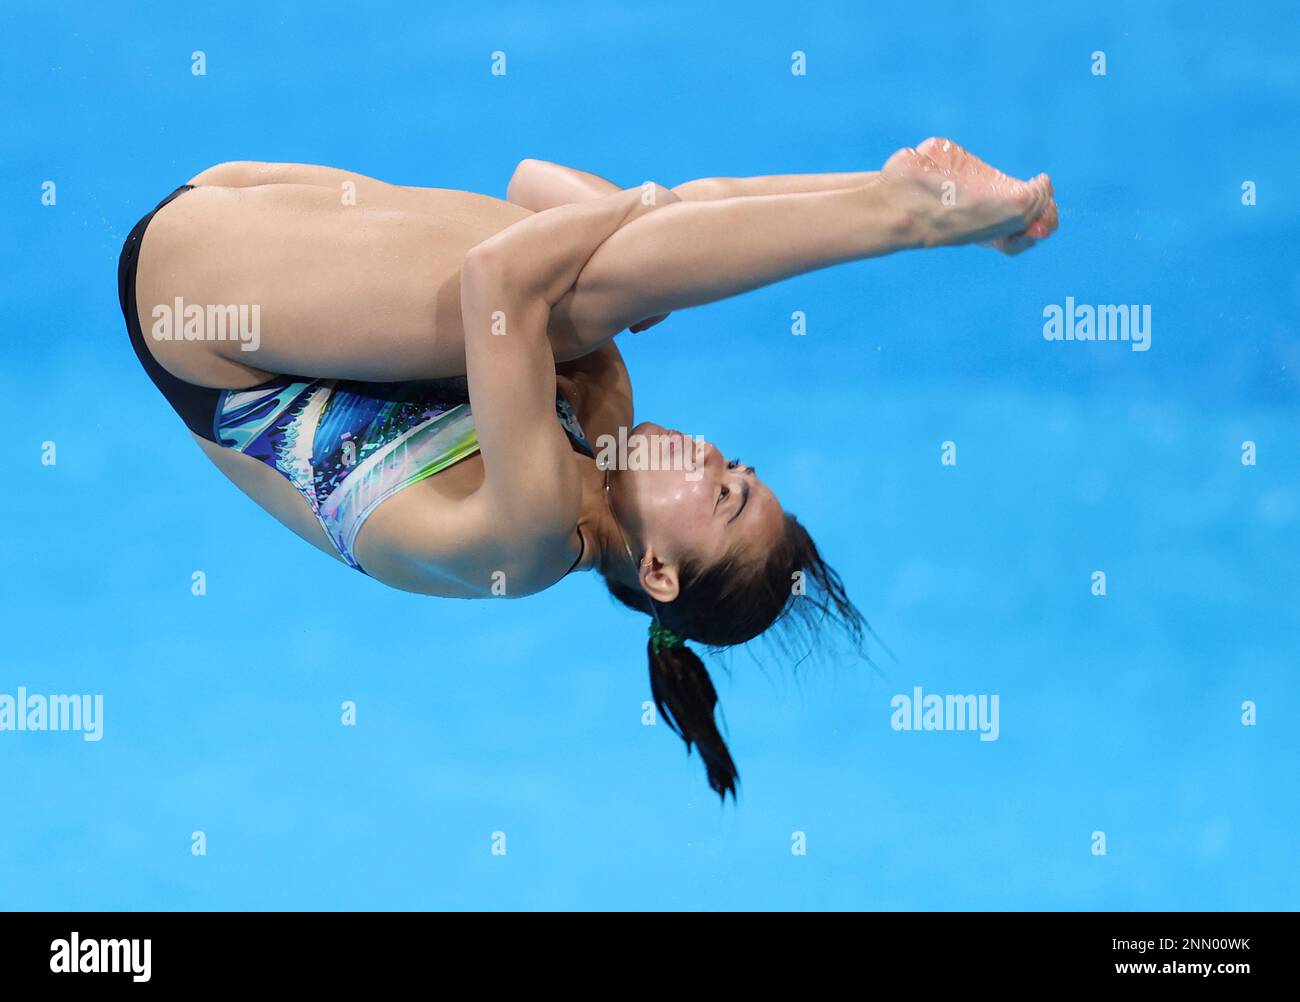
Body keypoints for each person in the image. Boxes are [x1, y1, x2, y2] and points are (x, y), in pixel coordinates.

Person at [119, 138, 1058, 796]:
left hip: (194, 307)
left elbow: (501, 273)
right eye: (738, 464)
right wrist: (649, 238)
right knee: (608, 289)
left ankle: (902, 215)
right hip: (239, 200)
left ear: (657, 572)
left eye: (722, 494)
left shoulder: (532, 536)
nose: (709, 455)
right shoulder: (598, 416)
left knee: (586, 294)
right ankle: (892, 191)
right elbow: (535, 180)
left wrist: (648, 220)